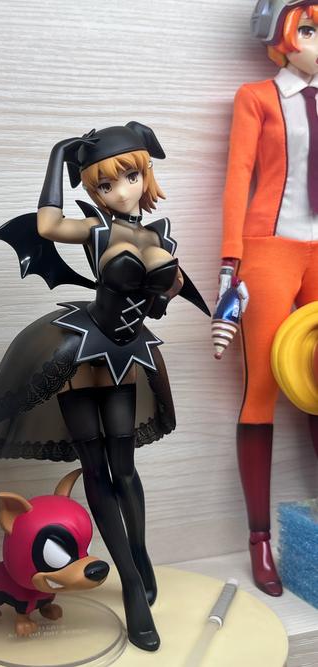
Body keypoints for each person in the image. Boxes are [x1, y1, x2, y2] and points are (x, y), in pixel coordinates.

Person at [0, 121, 208, 651]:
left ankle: (140, 553)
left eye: (130, 177)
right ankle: (129, 581)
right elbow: (46, 225)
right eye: (105, 184)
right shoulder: (97, 230)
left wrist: (168, 289)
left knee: (124, 466)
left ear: (145, 175)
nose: (121, 191)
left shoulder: (161, 235)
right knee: (96, 468)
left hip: (127, 353)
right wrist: (57, 155)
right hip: (82, 352)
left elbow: (156, 305)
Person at [218, 1, 318, 596]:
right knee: (262, 388)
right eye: (308, 28)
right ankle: (258, 539)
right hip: (271, 249)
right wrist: (231, 260)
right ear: (279, 37)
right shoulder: (257, 97)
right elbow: (238, 176)